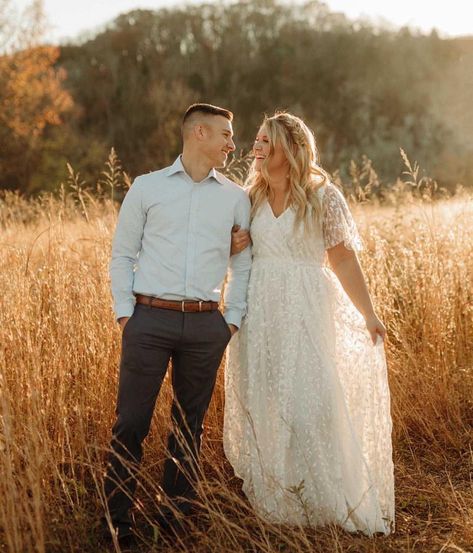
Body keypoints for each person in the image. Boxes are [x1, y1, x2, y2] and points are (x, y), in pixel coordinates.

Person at [224, 112, 394, 535]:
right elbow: (234, 257)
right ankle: (280, 500)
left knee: (312, 400)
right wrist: (231, 245)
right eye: (257, 140)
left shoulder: (323, 196)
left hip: (305, 309)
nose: (257, 147)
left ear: (292, 149)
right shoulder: (250, 198)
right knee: (266, 400)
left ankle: (325, 497)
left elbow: (342, 259)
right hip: (259, 314)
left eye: (268, 141)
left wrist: (368, 314)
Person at [105, 103, 252, 544]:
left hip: (207, 326)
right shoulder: (146, 188)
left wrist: (232, 320)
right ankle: (118, 524)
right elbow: (122, 255)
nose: (232, 143)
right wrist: (126, 314)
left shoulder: (235, 197)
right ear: (199, 133)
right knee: (131, 422)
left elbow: (242, 265)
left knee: (189, 427)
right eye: (226, 134)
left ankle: (175, 521)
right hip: (147, 321)